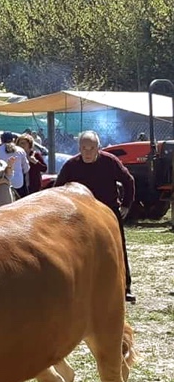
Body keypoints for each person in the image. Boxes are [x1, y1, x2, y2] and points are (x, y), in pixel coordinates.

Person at [55, 130, 136, 303]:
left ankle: (124, 287)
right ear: (79, 148)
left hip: (108, 212)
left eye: (91, 148)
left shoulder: (110, 162)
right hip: (81, 215)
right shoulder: (71, 165)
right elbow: (58, 189)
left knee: (117, 248)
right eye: (84, 148)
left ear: (98, 148)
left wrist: (126, 204)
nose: (88, 152)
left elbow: (128, 180)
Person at [0, 132, 29, 197]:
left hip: (3, 183)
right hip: (19, 183)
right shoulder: (20, 150)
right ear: (13, 139)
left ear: (1, 140)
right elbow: (26, 168)